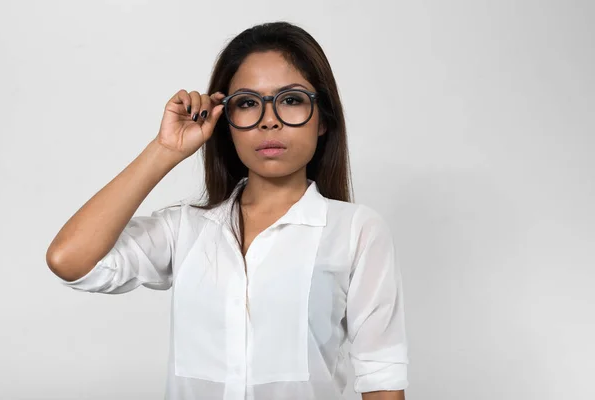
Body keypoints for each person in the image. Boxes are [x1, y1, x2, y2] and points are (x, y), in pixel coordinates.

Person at [46, 21, 409, 400]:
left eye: (291, 100)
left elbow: (380, 377)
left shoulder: (356, 231)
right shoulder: (186, 228)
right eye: (248, 103)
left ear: (323, 121)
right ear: (226, 121)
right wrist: (165, 150)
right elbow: (70, 260)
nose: (269, 120)